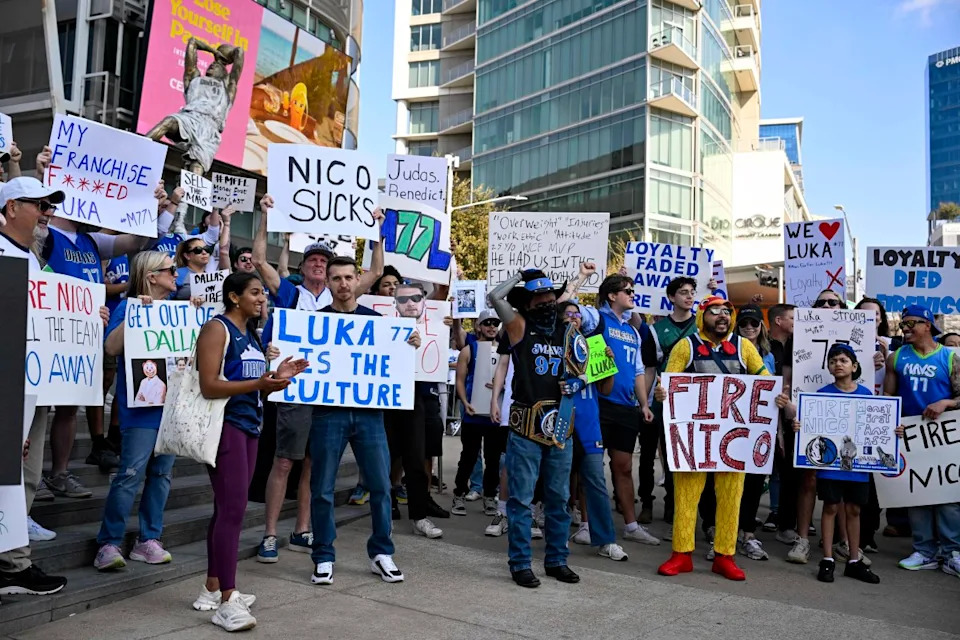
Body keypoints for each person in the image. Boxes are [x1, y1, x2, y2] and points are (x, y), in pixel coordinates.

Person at [252, 195, 385, 563]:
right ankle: (269, 534)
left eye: (323, 259)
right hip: (296, 389)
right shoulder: (291, 293)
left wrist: (377, 230)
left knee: (313, 464)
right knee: (284, 461)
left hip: (328, 394)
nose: (317, 262)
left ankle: (303, 530)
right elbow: (260, 261)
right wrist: (265, 217)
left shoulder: (342, 293)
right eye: (312, 258)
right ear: (306, 266)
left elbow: (373, 272)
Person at [191, 272, 307, 632]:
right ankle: (227, 600)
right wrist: (260, 382)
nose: (262, 298)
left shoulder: (252, 334)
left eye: (263, 293)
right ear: (234, 297)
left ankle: (213, 587)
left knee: (227, 509)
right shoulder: (217, 328)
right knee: (233, 511)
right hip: (225, 428)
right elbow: (210, 386)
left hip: (249, 427)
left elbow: (252, 389)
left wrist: (274, 379)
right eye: (255, 293)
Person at [307, 256, 420, 586]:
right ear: (326, 283)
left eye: (347, 277)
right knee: (323, 488)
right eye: (335, 278)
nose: (342, 284)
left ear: (357, 280)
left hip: (370, 414)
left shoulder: (378, 322)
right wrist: (279, 352)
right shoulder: (314, 323)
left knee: (381, 486)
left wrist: (409, 344)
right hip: (328, 413)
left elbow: (395, 363)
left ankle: (382, 553)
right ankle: (324, 555)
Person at [654, 295, 770, 581]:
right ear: (701, 316)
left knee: (732, 498)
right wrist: (662, 394)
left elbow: (764, 379)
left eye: (727, 312)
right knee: (686, 496)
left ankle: (725, 555)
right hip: (695, 439)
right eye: (714, 311)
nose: (722, 316)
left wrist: (776, 396)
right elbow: (669, 380)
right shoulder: (686, 346)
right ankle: (681, 554)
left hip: (734, 440)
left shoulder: (745, 348)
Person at [487, 269, 578, 588]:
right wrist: (518, 276)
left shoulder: (566, 331)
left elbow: (581, 365)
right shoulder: (518, 326)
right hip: (525, 426)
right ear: (529, 301)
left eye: (551, 297)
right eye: (540, 298)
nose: (547, 302)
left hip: (561, 425)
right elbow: (495, 297)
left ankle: (556, 560)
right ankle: (521, 563)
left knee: (558, 498)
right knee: (521, 499)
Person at [0, 177, 68, 598]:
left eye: (49, 204)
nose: (46, 211)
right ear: (10, 208)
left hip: (33, 385)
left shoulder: (37, 261)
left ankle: (13, 560)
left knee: (24, 476)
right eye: (38, 203)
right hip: (8, 386)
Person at [94, 252, 182, 571]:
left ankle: (149, 540)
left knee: (161, 476)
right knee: (130, 474)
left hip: (171, 409)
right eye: (170, 270)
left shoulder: (177, 311)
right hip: (140, 411)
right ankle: (109, 543)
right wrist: (134, 315)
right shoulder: (129, 308)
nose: (176, 274)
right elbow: (111, 348)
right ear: (151, 276)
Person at [776, 344, 885, 584]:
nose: (838, 364)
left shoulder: (866, 394)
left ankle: (853, 560)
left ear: (854, 366)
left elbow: (877, 426)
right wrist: (800, 427)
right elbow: (811, 426)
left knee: (854, 509)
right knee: (831, 507)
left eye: (844, 360)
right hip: (830, 466)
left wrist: (892, 431)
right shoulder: (822, 394)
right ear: (828, 367)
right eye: (833, 360)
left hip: (857, 467)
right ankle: (827, 559)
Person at [581, 274, 659, 546]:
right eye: (627, 291)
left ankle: (631, 525)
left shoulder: (633, 331)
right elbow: (569, 309)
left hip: (626, 407)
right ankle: (585, 524)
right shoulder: (596, 318)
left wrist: (644, 403)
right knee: (590, 466)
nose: (632, 294)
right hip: (597, 402)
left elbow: (639, 371)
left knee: (624, 467)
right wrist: (580, 278)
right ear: (612, 295)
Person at [884, 304, 960, 576]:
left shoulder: (950, 358)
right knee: (916, 495)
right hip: (911, 437)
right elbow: (888, 402)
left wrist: (946, 402)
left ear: (928, 325)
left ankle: (953, 552)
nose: (905, 329)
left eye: (911, 323)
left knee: (949, 498)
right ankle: (924, 550)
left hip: (945, 438)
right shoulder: (896, 358)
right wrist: (892, 425)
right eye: (903, 324)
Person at [560, 301, 628, 561]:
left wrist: (609, 364)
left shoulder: (593, 345)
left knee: (596, 483)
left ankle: (606, 540)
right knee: (559, 484)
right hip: (561, 422)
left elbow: (606, 390)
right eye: (567, 314)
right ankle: (558, 537)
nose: (573, 317)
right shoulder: (553, 346)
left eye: (577, 314)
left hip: (589, 425)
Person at [786, 288, 845, 564]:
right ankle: (803, 540)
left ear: (843, 306)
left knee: (843, 478)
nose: (827, 305)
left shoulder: (865, 337)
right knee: (808, 479)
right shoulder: (797, 338)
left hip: (847, 413)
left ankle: (842, 541)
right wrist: (790, 406)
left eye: (833, 302)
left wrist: (876, 359)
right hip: (809, 414)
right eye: (821, 302)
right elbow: (788, 379)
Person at [387, 280, 449, 536]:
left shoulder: (436, 327)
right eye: (403, 300)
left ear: (425, 301)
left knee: (416, 457)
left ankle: (419, 516)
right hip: (387, 397)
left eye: (415, 298)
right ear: (394, 304)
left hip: (417, 398)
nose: (410, 303)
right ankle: (385, 512)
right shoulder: (381, 323)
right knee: (385, 457)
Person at [641, 277, 700, 525]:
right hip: (659, 399)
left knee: (676, 455)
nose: (689, 296)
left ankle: (672, 503)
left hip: (688, 402)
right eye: (684, 292)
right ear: (671, 297)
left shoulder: (701, 327)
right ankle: (645, 501)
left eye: (692, 292)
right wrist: (643, 402)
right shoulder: (655, 330)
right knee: (646, 452)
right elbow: (649, 369)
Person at [145, 37, 244, 174]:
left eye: (218, 66)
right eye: (212, 63)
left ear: (224, 73)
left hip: (210, 127)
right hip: (190, 117)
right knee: (168, 122)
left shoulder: (227, 87)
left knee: (197, 168)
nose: (213, 64)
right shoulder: (194, 78)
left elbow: (240, 53)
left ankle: (188, 193)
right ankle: (137, 150)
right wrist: (213, 51)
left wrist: (225, 56)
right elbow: (192, 42)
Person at [452, 309, 506, 518]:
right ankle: (459, 493)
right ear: (478, 326)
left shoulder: (504, 352)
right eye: (487, 323)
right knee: (469, 456)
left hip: (494, 415)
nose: (492, 327)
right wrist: (465, 402)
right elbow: (459, 379)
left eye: (495, 323)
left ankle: (490, 496)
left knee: (493, 459)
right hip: (473, 414)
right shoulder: (469, 350)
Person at [854, 296, 892, 551]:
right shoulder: (846, 344)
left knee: (875, 479)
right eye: (864, 314)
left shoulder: (893, 346)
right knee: (853, 477)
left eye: (874, 315)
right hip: (851, 415)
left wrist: (887, 360)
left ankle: (867, 534)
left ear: (881, 319)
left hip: (879, 417)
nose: (870, 319)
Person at [763, 303, 794, 534]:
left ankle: (789, 514)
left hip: (792, 411)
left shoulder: (801, 343)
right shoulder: (765, 346)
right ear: (778, 321)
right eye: (792, 317)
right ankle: (774, 510)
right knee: (773, 462)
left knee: (789, 465)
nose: (797, 322)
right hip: (768, 409)